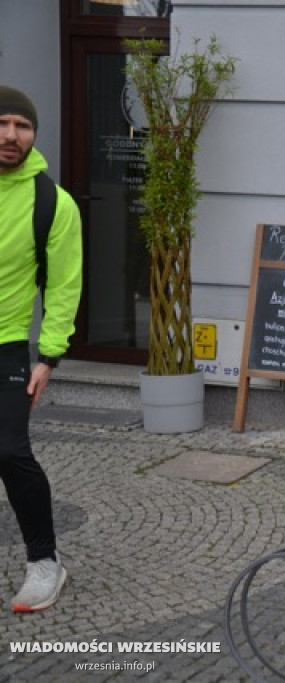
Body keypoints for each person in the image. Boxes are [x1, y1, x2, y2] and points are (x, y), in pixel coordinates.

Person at [0, 86, 83, 612]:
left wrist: (48, 356)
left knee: (9, 450)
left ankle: (44, 563)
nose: (11, 135)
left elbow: (64, 286)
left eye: (21, 126)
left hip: (7, 347)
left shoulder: (53, 202)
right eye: (2, 123)